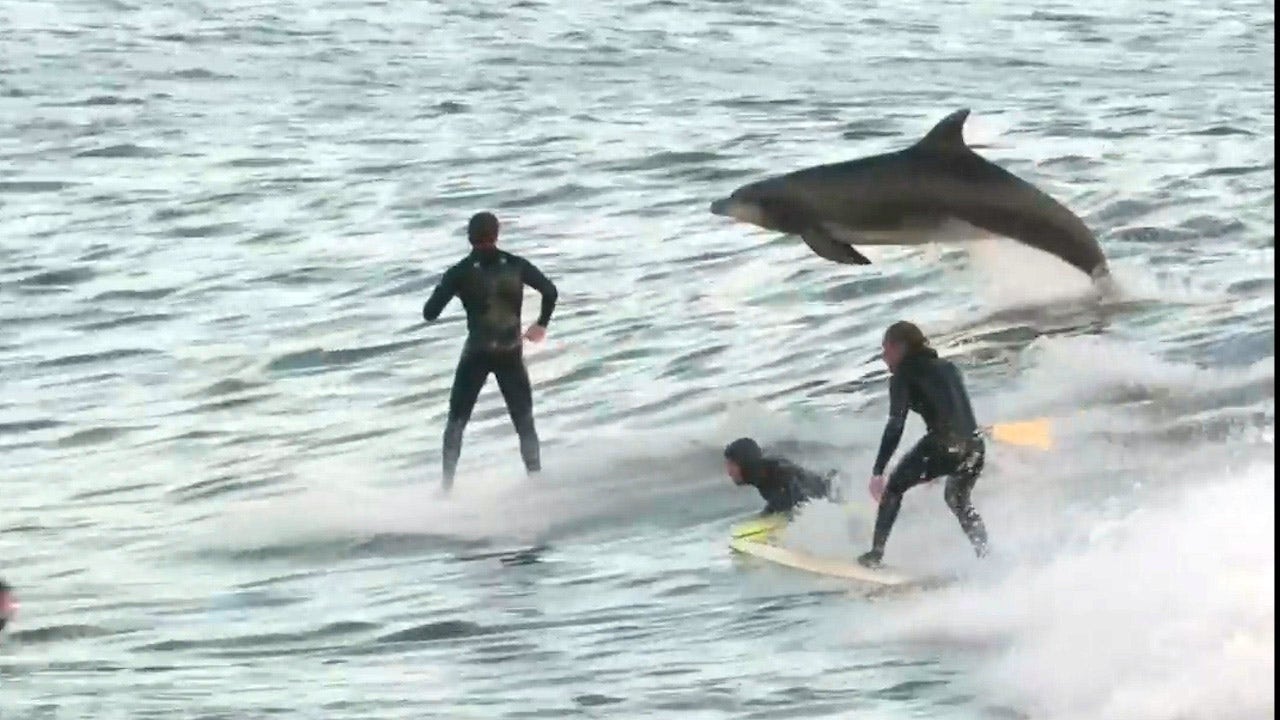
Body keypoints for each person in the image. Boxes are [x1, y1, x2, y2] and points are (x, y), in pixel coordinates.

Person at [422, 212, 558, 489]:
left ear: (469, 237)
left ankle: (446, 488)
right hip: (510, 352)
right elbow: (550, 291)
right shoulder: (517, 265)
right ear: (498, 234)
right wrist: (541, 324)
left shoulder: (459, 272)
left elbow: (430, 313)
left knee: (457, 421)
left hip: (477, 354)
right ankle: (536, 482)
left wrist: (452, 289)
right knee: (524, 421)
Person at [857, 321, 988, 568]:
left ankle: (875, 555)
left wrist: (878, 471)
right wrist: (936, 467)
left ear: (900, 347)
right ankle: (986, 554)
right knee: (958, 501)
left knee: (893, 490)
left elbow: (896, 424)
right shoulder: (948, 367)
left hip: (942, 445)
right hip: (975, 447)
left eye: (886, 349)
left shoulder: (903, 375)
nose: (884, 357)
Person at [724, 437, 835, 517]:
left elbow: (805, 503)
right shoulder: (762, 475)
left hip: (834, 488)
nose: (729, 472)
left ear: (745, 463)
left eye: (732, 466)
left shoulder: (777, 473)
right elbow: (779, 501)